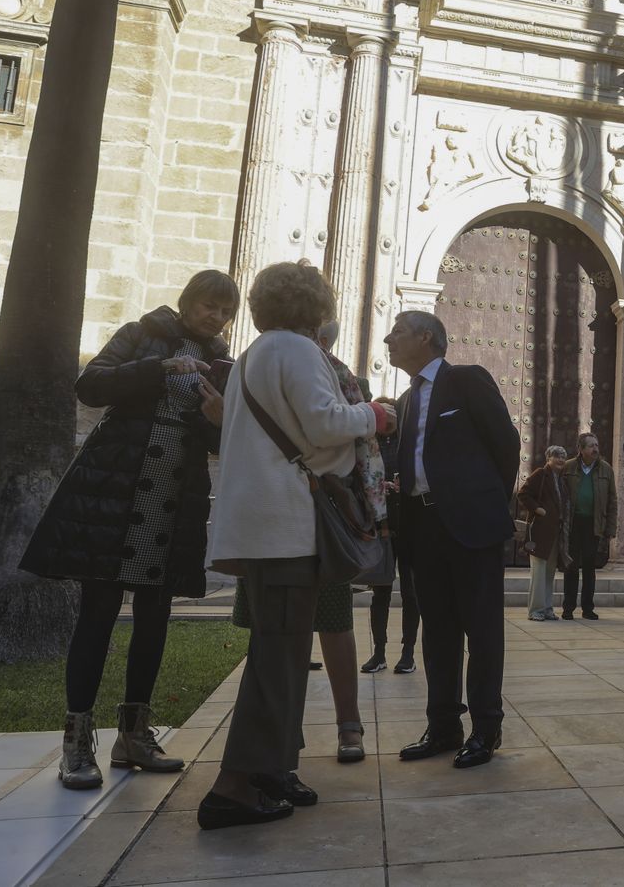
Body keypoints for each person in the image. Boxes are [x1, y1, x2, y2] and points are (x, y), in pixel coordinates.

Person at [22, 270, 238, 791]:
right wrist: (159, 367)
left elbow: (217, 441)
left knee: (154, 617)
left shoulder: (223, 363)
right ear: (187, 302)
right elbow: (91, 386)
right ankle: (76, 744)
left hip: (172, 501)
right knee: (97, 615)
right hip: (115, 493)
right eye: (209, 306)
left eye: (226, 311)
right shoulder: (141, 334)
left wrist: (219, 417)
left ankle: (134, 736)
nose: (216, 317)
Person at [197, 262, 392, 829]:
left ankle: (272, 768)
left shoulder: (257, 352)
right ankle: (233, 786)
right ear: (314, 304)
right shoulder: (299, 350)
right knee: (277, 659)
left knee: (278, 653)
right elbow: (326, 424)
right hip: (284, 528)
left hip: (264, 525)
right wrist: (376, 415)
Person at [231, 320, 388, 762]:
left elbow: (333, 433)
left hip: (317, 513)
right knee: (275, 631)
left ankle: (344, 724)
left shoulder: (336, 373)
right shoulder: (260, 363)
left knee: (327, 621)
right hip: (275, 511)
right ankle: (286, 733)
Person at [386, 310, 521, 770]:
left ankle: (486, 728)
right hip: (422, 527)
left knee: (482, 631)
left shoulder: (466, 380)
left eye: (398, 332)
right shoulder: (406, 400)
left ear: (426, 337)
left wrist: (487, 500)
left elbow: (506, 443)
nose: (388, 340)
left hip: (470, 525)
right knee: (437, 630)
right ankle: (443, 725)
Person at [365, 409, 420, 672]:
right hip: (381, 528)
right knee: (380, 593)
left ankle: (408, 653)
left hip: (409, 528)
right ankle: (379, 653)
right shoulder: (370, 444)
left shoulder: (408, 441)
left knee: (411, 593)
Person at [562, 432, 617, 620]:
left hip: (594, 524)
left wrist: (610, 528)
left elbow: (612, 501)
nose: (595, 449)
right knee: (571, 566)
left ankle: (587, 608)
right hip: (573, 523)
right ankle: (568, 608)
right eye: (591, 445)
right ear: (581, 449)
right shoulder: (568, 467)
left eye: (597, 445)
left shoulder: (606, 470)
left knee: (589, 567)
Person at [516, 446, 573, 621]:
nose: (561, 460)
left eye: (563, 457)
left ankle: (547, 608)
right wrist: (537, 509)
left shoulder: (561, 479)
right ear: (549, 458)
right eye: (557, 456)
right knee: (539, 573)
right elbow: (523, 494)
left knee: (549, 573)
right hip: (540, 532)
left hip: (555, 534)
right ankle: (536, 610)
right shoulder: (540, 474)